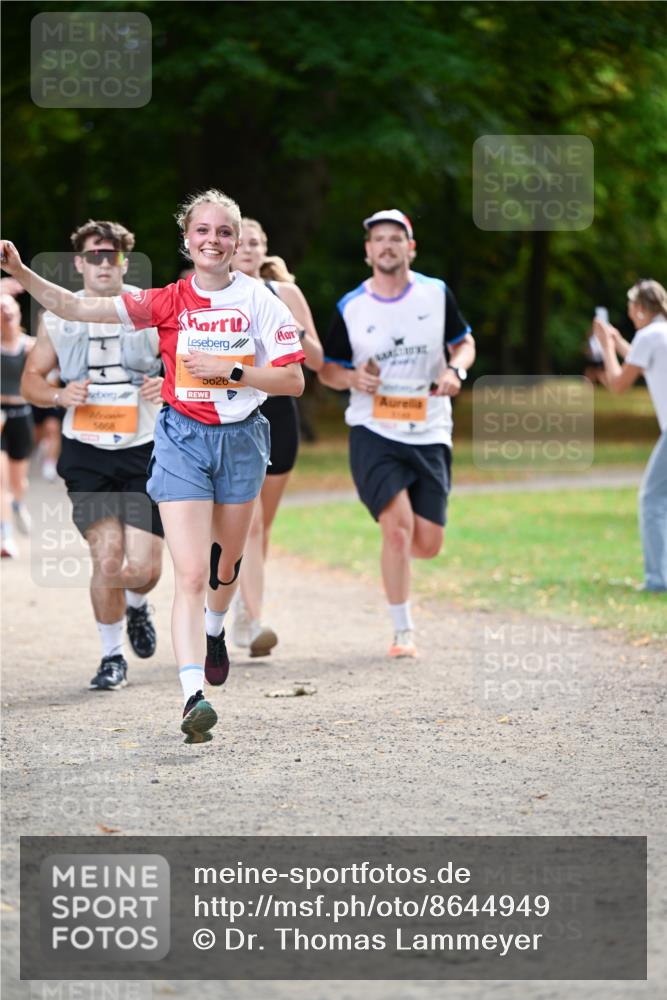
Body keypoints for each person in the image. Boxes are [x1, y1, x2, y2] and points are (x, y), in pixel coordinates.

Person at [2, 189, 305, 741]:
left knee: (225, 564)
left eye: (223, 232)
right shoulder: (166, 300)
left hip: (241, 441)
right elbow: (75, 307)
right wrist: (21, 271)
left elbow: (293, 380)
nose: (213, 240)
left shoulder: (260, 300)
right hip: (181, 439)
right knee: (188, 573)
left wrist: (231, 371)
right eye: (202, 231)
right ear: (187, 239)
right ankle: (193, 694)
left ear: (235, 241)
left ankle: (216, 628)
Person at [319, 209, 475, 658]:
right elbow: (328, 370)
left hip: (430, 428)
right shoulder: (352, 306)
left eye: (395, 238)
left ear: (411, 247)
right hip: (374, 429)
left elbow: (465, 341)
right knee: (397, 530)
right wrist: (353, 380)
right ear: (368, 252)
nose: (386, 245)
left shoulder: (435, 293)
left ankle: (399, 568)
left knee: (427, 543)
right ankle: (402, 631)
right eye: (378, 239)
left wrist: (455, 368)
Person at [19, 220, 165, 691]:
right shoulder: (58, 317)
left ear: (123, 261)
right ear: (80, 262)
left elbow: (186, 365)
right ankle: (111, 656)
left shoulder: (152, 308)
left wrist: (167, 384)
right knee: (107, 558)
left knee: (142, 570)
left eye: (112, 255)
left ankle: (139, 606)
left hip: (146, 449)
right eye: (94, 256)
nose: (104, 264)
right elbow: (31, 383)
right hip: (87, 452)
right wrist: (61, 396)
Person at [230, 219, 323, 657]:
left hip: (278, 412)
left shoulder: (284, 293)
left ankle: (244, 610)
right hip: (229, 412)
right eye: (240, 241)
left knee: (260, 524)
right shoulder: (209, 292)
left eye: (256, 242)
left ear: (265, 249)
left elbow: (318, 359)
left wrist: (289, 324)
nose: (248, 248)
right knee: (244, 522)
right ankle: (248, 617)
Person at [593, 278, 667, 592]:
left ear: (638, 309)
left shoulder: (648, 336)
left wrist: (608, 348)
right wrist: (621, 342)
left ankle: (657, 580)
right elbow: (643, 363)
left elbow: (618, 384)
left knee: (651, 499)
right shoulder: (658, 334)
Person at [1, 293, 34, 557]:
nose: (5, 314)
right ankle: (5, 535)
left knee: (17, 481)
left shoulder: (30, 346)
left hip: (21, 415)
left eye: (9, 308)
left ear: (18, 314)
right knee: (1, 481)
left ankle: (18, 503)